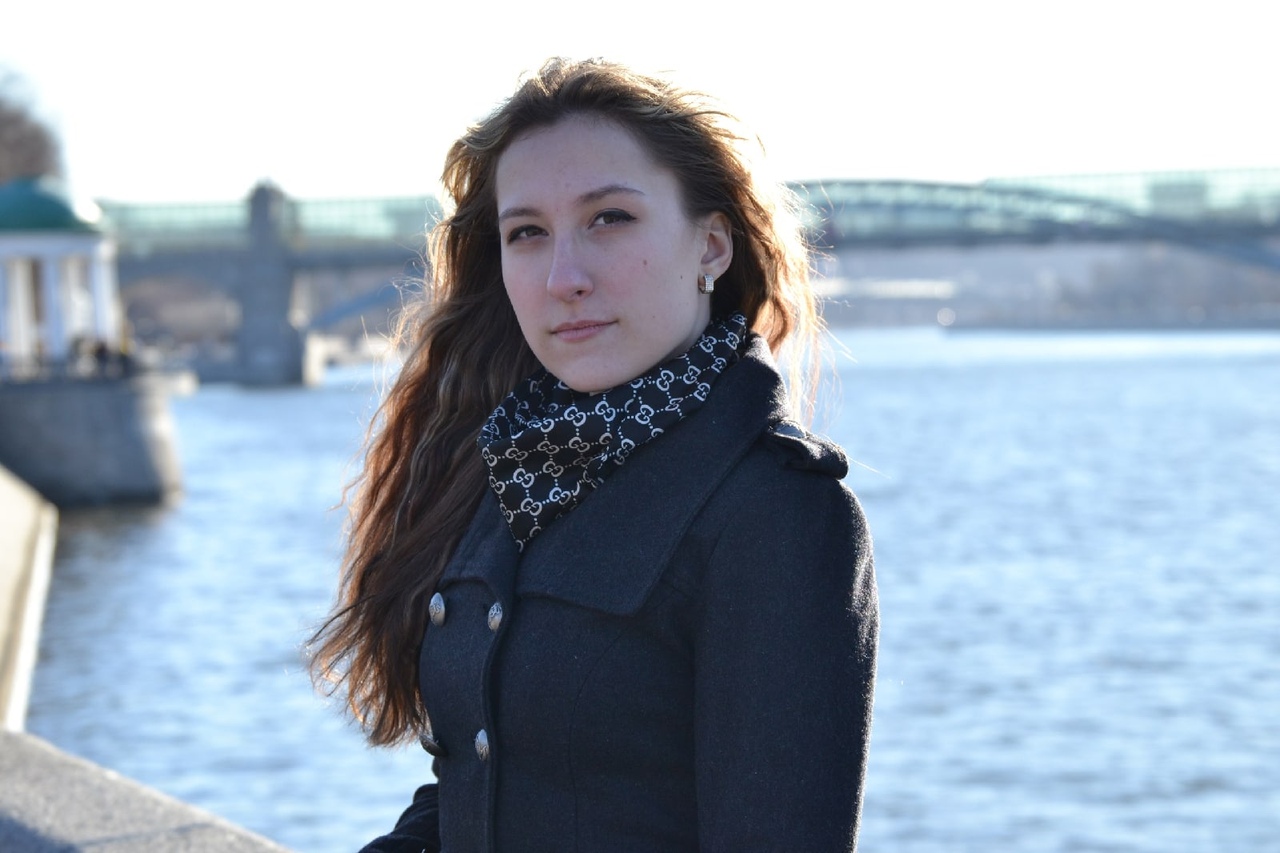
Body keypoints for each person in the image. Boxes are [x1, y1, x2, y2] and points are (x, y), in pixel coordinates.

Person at [310, 57, 878, 852]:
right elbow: (486, 782)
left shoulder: (777, 511)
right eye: (527, 233)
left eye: (609, 218)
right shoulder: (512, 464)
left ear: (711, 246)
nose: (563, 276)